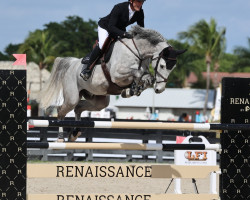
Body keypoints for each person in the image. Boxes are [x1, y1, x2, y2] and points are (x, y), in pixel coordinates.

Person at [80, 0, 146, 81]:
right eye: (138, 1)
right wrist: (125, 34)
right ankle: (87, 69)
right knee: (102, 45)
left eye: (142, 2)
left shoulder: (140, 12)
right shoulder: (119, 7)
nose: (140, 4)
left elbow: (141, 30)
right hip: (106, 27)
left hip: (119, 29)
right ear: (131, 1)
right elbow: (111, 27)